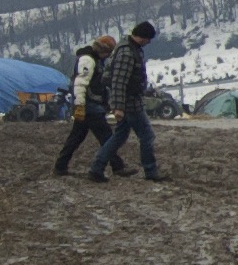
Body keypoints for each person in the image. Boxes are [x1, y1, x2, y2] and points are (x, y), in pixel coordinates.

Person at [89, 22, 163, 183]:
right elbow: (119, 82)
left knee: (119, 136)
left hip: (129, 101)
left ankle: (97, 167)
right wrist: (118, 107)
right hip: (130, 103)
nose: (149, 42)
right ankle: (150, 170)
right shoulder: (127, 53)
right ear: (142, 37)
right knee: (147, 136)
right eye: (148, 38)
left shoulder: (130, 48)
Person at [56, 35, 116, 175]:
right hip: (90, 105)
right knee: (106, 136)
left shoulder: (94, 60)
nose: (108, 56)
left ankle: (60, 166)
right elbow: (80, 83)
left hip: (89, 104)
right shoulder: (88, 60)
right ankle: (117, 166)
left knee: (76, 137)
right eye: (108, 52)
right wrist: (80, 105)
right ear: (103, 50)